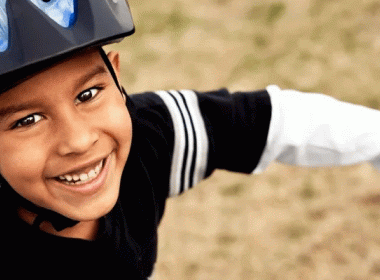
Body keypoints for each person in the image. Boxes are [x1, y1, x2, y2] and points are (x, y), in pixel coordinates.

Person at [0, 0, 380, 279]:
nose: (79, 140)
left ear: (117, 79)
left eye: (88, 95)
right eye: (27, 120)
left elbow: (274, 121)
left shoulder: (147, 139)